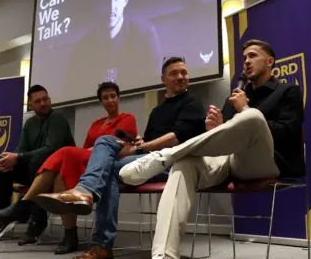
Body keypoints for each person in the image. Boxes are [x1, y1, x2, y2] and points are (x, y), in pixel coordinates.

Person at [119, 39, 306, 259]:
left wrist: (245, 108)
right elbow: (225, 138)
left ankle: (165, 155)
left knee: (253, 117)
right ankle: (164, 255)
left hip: (268, 162)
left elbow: (289, 132)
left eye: (253, 56)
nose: (246, 61)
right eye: (244, 57)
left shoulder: (287, 92)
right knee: (184, 165)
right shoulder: (234, 98)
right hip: (230, 161)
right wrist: (215, 129)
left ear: (270, 61)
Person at [34, 57, 206, 259]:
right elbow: (149, 140)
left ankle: (89, 203)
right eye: (174, 73)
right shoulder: (158, 111)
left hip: (174, 160)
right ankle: (97, 232)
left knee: (107, 160)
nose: (180, 77)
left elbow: (178, 137)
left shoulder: (192, 102)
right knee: (107, 145)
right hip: (149, 159)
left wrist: (146, 145)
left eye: (184, 73)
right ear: (163, 79)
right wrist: (140, 143)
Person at [0, 82, 137, 255]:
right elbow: (85, 148)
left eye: (113, 96)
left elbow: (119, 146)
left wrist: (89, 151)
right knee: (60, 174)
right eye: (105, 97)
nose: (110, 100)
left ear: (119, 98)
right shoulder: (97, 124)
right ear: (101, 101)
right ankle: (68, 236)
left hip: (105, 162)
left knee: (64, 152)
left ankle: (24, 205)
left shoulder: (127, 118)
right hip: (88, 162)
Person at [0, 85, 76, 245]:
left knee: (39, 162)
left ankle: (36, 222)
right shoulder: (30, 124)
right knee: (2, 169)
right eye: (38, 101)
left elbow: (50, 150)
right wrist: (10, 159)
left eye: (45, 99)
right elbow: (22, 149)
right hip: (37, 170)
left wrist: (18, 156)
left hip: (58, 172)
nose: (43, 103)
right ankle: (2, 217)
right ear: (31, 105)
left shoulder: (57, 119)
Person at [69, 0, 162, 85]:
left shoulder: (145, 34)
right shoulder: (80, 49)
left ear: (125, 0)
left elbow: (153, 83)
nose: (112, 6)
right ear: (96, 2)